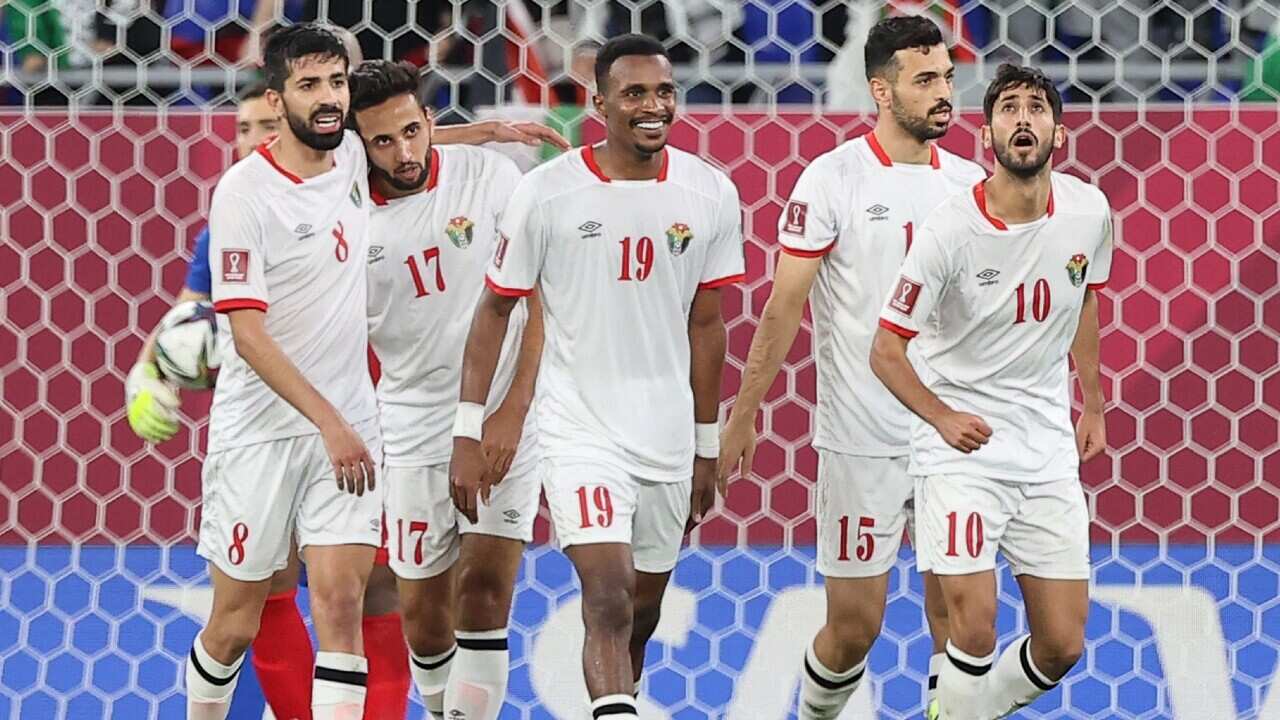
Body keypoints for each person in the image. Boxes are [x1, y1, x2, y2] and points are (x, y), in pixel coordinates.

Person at [450, 33, 744, 719]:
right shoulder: (546, 193)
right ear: (600, 100)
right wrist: (470, 428)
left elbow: (708, 325)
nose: (653, 106)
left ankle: (621, 698)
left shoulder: (710, 193)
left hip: (667, 433)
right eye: (635, 92)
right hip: (578, 428)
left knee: (641, 610)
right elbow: (496, 309)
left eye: (664, 92)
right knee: (607, 594)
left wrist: (706, 445)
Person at [718, 16, 985, 720]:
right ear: (880, 89)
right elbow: (782, 309)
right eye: (925, 79)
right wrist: (741, 415)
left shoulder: (972, 184)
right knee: (854, 629)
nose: (943, 94)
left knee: (960, 618)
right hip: (861, 440)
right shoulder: (831, 179)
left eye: (948, 79)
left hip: (950, 439)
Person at [870, 63, 1110, 720]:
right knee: (973, 628)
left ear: (1058, 132)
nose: (1024, 118)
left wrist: (1092, 402)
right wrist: (942, 418)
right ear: (988, 135)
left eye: (1037, 107)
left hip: (1045, 449)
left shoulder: (1090, 211)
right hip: (962, 453)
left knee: (1062, 643)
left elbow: (1085, 299)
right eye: (1008, 108)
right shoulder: (949, 230)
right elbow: (885, 350)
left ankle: (957, 712)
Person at [347, 59, 565, 720]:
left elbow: (540, 297)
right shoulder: (342, 213)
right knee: (425, 614)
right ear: (356, 146)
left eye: (414, 132)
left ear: (430, 122)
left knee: (488, 589)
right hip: (411, 423)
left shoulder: (493, 176)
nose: (404, 152)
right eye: (382, 141)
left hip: (507, 410)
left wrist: (511, 411)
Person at [183, 23, 383, 720]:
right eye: (310, 86)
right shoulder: (244, 193)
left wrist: (479, 137)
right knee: (235, 622)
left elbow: (412, 142)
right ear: (278, 97)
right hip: (264, 433)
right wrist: (327, 422)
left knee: (340, 600)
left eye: (337, 82)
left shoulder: (356, 155)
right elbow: (247, 334)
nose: (329, 99)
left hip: (350, 425)